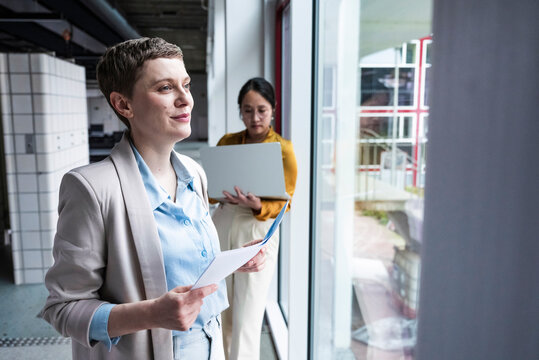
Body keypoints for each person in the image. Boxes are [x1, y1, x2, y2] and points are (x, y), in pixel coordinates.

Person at [40, 37, 266, 360]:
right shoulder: (91, 189)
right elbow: (63, 309)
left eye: (186, 85)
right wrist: (152, 315)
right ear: (123, 105)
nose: (185, 99)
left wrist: (230, 261)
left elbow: (181, 266)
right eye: (165, 88)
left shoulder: (194, 174)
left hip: (211, 347)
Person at [211, 77, 297, 360]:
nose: (255, 117)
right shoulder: (228, 142)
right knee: (221, 306)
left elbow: (287, 201)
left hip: (258, 229)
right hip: (223, 222)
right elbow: (211, 190)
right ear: (240, 111)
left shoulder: (283, 149)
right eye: (247, 110)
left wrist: (259, 204)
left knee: (248, 312)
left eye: (261, 109)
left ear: (272, 109)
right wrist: (218, 192)